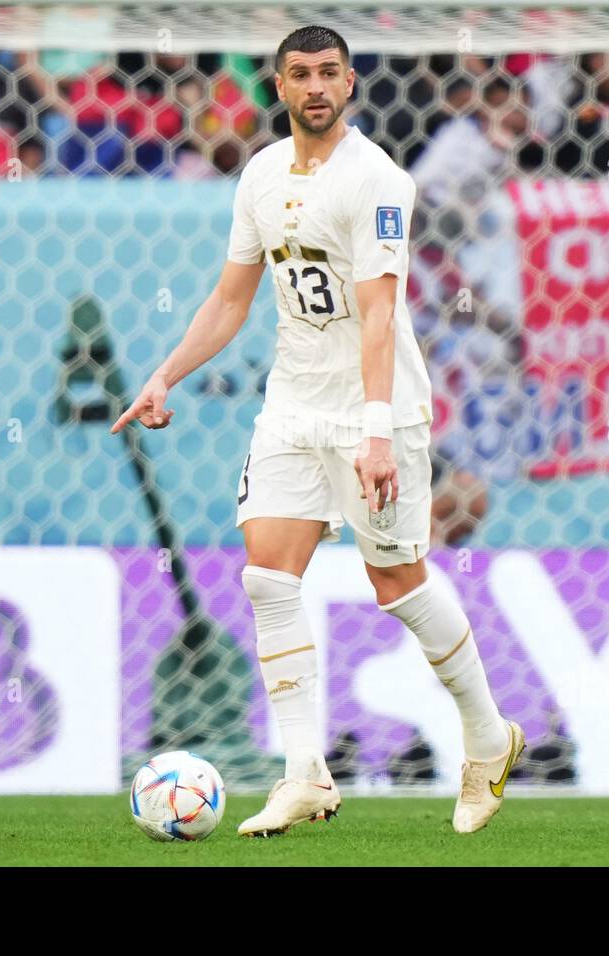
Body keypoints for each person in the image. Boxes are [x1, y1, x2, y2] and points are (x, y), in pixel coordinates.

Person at [111, 25, 523, 837]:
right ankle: (303, 771)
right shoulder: (262, 174)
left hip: (378, 410)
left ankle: (486, 735)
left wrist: (375, 433)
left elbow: (379, 314)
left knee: (396, 583)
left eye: (329, 72)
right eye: (300, 74)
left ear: (351, 83)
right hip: (293, 405)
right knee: (267, 576)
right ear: (279, 85)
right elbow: (232, 299)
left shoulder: (378, 182)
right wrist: (165, 374)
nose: (315, 87)